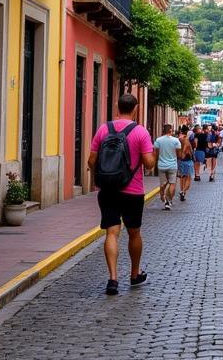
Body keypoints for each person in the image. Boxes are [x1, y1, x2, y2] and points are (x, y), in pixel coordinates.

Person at [87, 93, 155, 296]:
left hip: (108, 190)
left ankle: (113, 279)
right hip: (133, 191)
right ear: (136, 109)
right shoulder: (141, 132)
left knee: (111, 232)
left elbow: (91, 161)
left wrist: (99, 179)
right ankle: (135, 274)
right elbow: (149, 164)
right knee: (134, 233)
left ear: (117, 107)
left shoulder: (103, 129)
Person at [153, 123, 181, 210]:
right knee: (172, 183)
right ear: (170, 130)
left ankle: (162, 194)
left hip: (161, 165)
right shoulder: (176, 140)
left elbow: (156, 153)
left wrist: (155, 163)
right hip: (172, 165)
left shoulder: (158, 140)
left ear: (163, 130)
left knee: (163, 183)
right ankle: (169, 201)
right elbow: (179, 154)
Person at [177, 125, 194, 202]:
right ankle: (183, 191)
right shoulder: (186, 139)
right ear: (187, 132)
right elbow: (188, 150)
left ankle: (182, 193)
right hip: (187, 159)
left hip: (180, 160)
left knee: (182, 177)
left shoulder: (178, 139)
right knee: (189, 178)